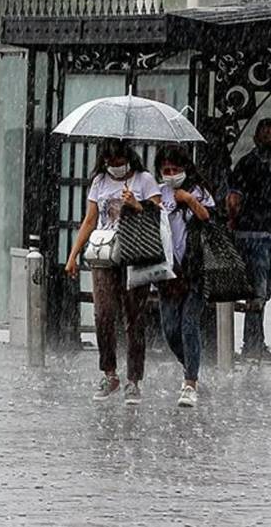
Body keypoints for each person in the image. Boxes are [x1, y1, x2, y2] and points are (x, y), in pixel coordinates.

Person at [64, 139, 161, 405]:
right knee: (103, 313)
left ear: (128, 158)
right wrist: (73, 255)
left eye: (118, 162)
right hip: (105, 255)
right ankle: (109, 373)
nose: (114, 167)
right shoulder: (99, 182)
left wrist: (136, 205)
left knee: (134, 317)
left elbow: (158, 215)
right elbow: (90, 219)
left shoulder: (144, 180)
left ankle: (134, 379)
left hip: (135, 254)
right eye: (109, 162)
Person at [155, 145, 214, 407]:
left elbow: (208, 217)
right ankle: (190, 364)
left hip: (195, 270)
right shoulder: (157, 192)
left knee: (189, 324)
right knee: (170, 329)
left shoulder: (199, 190)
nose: (171, 174)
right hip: (168, 273)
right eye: (166, 170)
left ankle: (190, 382)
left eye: (175, 169)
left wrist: (188, 199)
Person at [226, 118, 271, 365]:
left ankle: (255, 341)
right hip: (252, 236)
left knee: (264, 293)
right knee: (257, 293)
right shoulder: (246, 165)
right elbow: (234, 200)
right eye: (269, 135)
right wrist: (234, 225)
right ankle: (252, 345)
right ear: (256, 138)